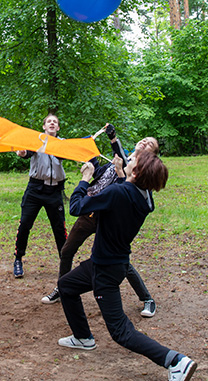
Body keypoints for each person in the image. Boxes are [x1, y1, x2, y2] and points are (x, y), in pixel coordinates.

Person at [56, 151, 197, 381]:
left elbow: (76, 207)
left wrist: (85, 178)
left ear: (136, 173)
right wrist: (122, 172)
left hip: (105, 270)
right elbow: (125, 188)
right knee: (66, 285)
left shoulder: (117, 193)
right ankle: (83, 337)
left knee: (120, 331)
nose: (128, 159)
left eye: (132, 160)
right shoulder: (145, 198)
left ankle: (175, 361)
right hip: (112, 263)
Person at [41, 127, 158, 320]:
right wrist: (88, 151)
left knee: (119, 262)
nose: (145, 142)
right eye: (144, 139)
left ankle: (147, 298)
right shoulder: (121, 160)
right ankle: (62, 287)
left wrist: (116, 151)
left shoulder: (142, 172)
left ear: (153, 155)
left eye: (150, 143)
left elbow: (139, 200)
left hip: (110, 219)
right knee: (67, 250)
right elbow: (100, 174)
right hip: (90, 212)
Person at [13, 113, 67, 278]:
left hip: (54, 191)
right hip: (35, 190)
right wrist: (22, 152)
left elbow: (64, 154)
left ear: (58, 127)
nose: (52, 123)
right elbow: (27, 152)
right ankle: (18, 259)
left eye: (55, 122)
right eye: (49, 121)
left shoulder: (63, 143)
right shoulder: (36, 140)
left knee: (59, 228)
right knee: (25, 224)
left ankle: (65, 263)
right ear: (44, 126)